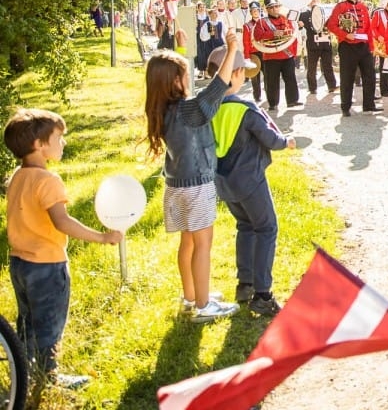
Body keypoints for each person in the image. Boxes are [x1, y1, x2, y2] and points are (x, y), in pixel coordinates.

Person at [4, 108, 122, 387]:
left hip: (19, 264)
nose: (63, 143)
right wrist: (102, 237)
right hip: (47, 265)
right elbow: (62, 222)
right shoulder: (47, 181)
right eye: (59, 137)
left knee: (27, 322)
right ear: (39, 145)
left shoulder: (16, 178)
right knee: (50, 324)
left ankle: (26, 372)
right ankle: (50, 377)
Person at [144, 31, 242, 322]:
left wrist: (181, 48)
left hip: (176, 187)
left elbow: (192, 84)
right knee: (203, 246)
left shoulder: (164, 109)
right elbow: (217, 87)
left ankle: (191, 296)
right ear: (175, 81)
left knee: (188, 243)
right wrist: (232, 48)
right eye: (184, 74)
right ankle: (203, 306)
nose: (188, 78)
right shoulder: (190, 111)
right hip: (197, 187)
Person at [205, 47, 295, 317]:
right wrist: (286, 142)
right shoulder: (246, 108)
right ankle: (263, 294)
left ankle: (244, 284)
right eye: (242, 70)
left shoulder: (208, 107)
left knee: (245, 226)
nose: (245, 74)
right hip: (251, 180)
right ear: (234, 74)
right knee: (267, 227)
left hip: (225, 183)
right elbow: (270, 138)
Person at [326, 0, 379, 117]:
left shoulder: (362, 7)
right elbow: (331, 25)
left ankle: (369, 105)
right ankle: (345, 107)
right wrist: (345, 35)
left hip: (363, 46)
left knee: (370, 75)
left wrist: (372, 47)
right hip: (347, 46)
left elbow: (368, 29)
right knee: (347, 77)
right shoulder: (340, 7)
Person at [250, 0, 301, 112]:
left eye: (276, 6)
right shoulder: (261, 22)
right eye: (271, 7)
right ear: (267, 9)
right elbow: (257, 37)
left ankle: (292, 100)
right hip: (271, 56)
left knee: (291, 78)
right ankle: (273, 103)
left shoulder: (285, 19)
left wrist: (293, 52)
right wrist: (272, 34)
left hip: (286, 54)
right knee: (272, 81)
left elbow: (292, 34)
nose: (275, 9)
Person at [298, 0, 336, 95]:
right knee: (312, 67)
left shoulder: (326, 12)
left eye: (315, 0)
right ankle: (312, 88)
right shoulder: (304, 14)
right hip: (313, 43)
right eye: (312, 0)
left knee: (328, 65)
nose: (314, 1)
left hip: (325, 43)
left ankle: (332, 86)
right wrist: (300, 25)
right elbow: (299, 27)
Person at [241, 1, 265, 104]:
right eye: (254, 11)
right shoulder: (247, 26)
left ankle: (269, 93)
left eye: (257, 11)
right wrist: (246, 57)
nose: (256, 12)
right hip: (254, 53)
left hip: (264, 52)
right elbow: (246, 42)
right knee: (255, 77)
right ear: (251, 13)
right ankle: (257, 96)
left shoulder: (264, 23)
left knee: (268, 74)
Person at [193, 0, 223, 81]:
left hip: (214, 40)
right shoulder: (196, 17)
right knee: (201, 53)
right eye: (200, 7)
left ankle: (215, 71)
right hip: (201, 38)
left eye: (203, 7)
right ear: (197, 8)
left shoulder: (210, 19)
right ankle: (201, 70)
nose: (202, 8)